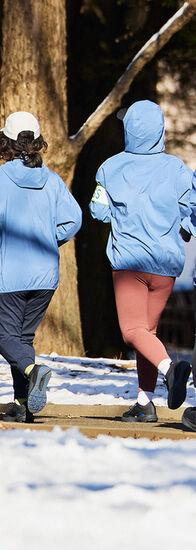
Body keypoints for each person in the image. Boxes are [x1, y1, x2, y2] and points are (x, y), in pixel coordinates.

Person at [0, 112, 83, 423]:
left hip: (8, 275)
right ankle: (23, 404)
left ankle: (35, 371)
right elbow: (74, 220)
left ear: (5, 142)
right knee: (22, 340)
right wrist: (49, 237)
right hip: (45, 275)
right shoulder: (54, 180)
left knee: (4, 337)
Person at [88, 99, 196, 422]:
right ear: (160, 130)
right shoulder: (178, 169)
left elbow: (97, 210)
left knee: (132, 330)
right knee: (147, 332)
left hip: (130, 262)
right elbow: (191, 208)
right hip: (166, 265)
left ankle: (171, 369)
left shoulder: (109, 169)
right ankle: (144, 403)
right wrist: (185, 228)